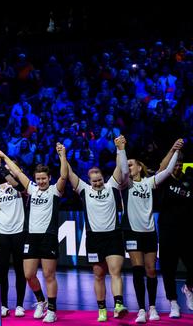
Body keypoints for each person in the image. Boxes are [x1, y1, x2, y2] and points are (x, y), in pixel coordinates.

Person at [61, 137, 129, 322]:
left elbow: (122, 169)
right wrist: (63, 155)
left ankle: (118, 304)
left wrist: (120, 149)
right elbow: (68, 174)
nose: (97, 183)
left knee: (115, 271)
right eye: (94, 181)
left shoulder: (112, 186)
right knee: (98, 275)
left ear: (103, 178)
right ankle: (101, 309)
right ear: (89, 181)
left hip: (113, 235)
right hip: (93, 238)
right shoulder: (84, 190)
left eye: (99, 180)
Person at [3, 148, 67, 323]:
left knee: (49, 275)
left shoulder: (55, 191)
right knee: (29, 274)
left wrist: (62, 156)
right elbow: (16, 171)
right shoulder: (31, 188)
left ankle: (52, 311)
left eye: (43, 178)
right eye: (38, 178)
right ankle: (41, 301)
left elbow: (64, 176)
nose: (40, 181)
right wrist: (3, 157)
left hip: (49, 236)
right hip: (31, 237)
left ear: (49, 178)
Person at [124, 140, 181, 323]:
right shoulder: (126, 184)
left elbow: (166, 171)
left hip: (149, 232)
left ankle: (153, 308)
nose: (128, 167)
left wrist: (174, 150)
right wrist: (121, 149)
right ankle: (141, 309)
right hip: (133, 233)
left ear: (139, 167)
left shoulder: (149, 183)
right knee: (138, 270)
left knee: (151, 271)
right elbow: (122, 168)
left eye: (131, 164)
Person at [156, 141, 192, 319]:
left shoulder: (189, 181)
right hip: (167, 232)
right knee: (168, 270)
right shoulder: (165, 180)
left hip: (186, 232)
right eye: (175, 164)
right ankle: (173, 303)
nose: (177, 167)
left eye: (179, 164)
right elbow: (162, 167)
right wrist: (173, 150)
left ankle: (188, 287)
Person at [0, 152, 26, 318]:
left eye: (12, 169)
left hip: (19, 233)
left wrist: (0, 166)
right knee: (2, 271)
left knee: (20, 270)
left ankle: (19, 305)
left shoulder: (22, 187)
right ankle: (3, 305)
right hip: (2, 234)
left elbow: (13, 180)